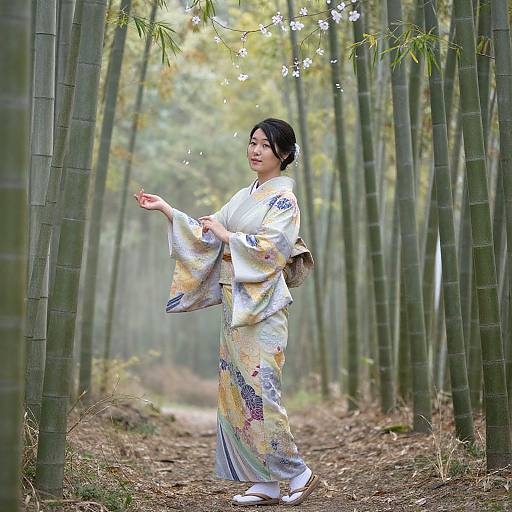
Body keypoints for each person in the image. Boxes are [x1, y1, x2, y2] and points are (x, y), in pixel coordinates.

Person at [134, 118, 318, 506]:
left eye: (265, 145)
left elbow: (273, 250)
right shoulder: (243, 196)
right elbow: (207, 232)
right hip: (236, 304)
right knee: (238, 391)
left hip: (264, 306)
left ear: (283, 154)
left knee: (262, 392)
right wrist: (168, 210)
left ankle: (298, 472)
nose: (255, 150)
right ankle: (263, 480)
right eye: (252, 142)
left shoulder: (284, 200)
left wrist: (229, 237)